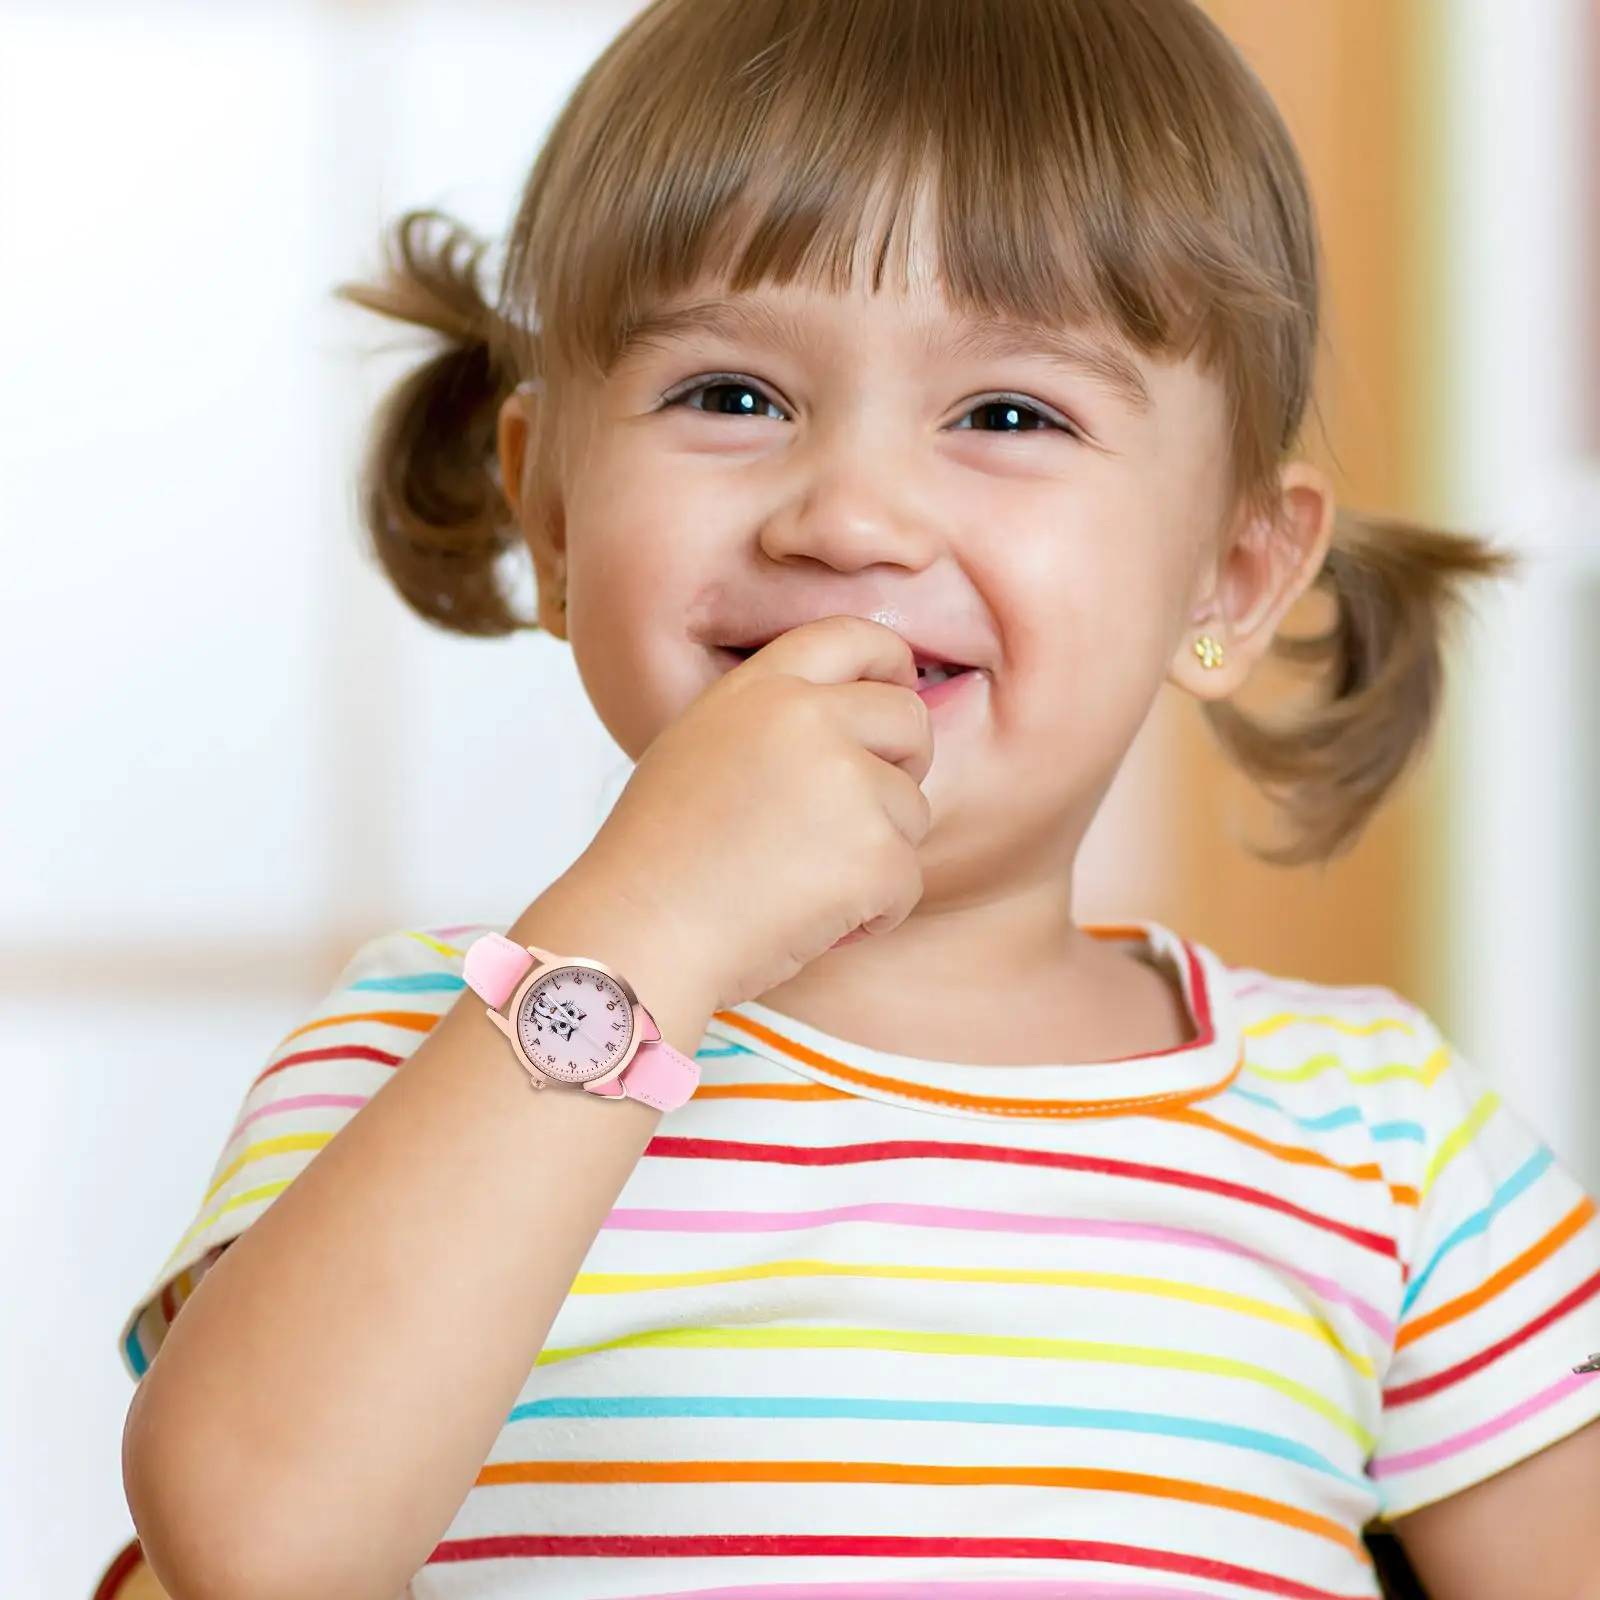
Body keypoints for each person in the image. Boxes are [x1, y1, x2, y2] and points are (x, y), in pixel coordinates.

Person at [119, 2, 1600, 1596]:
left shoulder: (1386, 1145)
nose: (852, 518)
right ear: (550, 511)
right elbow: (253, 1547)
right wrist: (651, 926)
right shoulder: (440, 1048)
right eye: (733, 396)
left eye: (1010, 415)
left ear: (1228, 573)